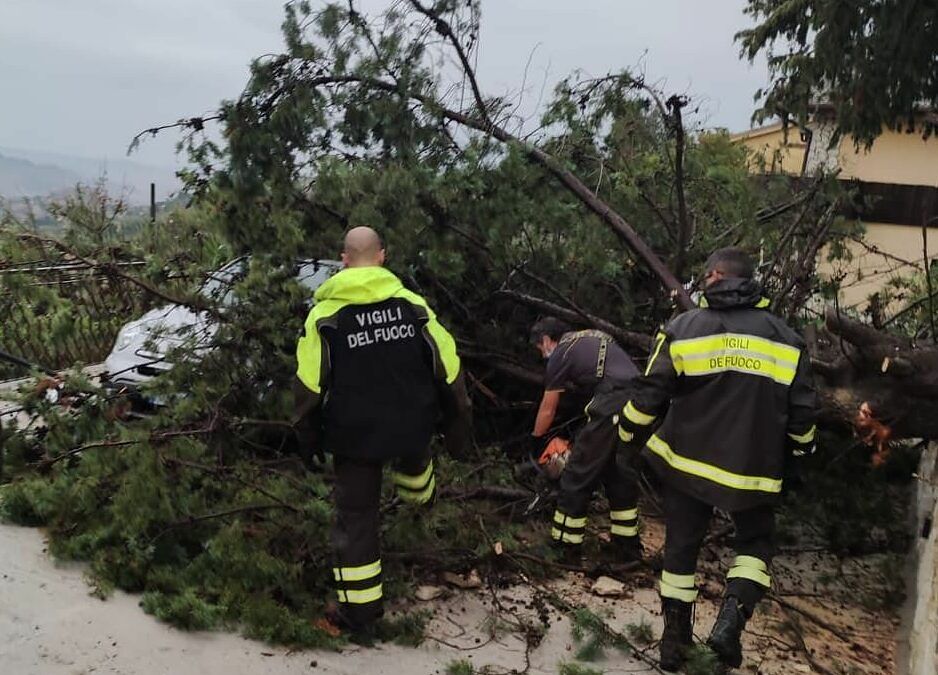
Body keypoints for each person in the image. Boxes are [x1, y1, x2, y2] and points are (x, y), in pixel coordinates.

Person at [616, 247, 816, 671]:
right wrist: (801, 455)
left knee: (680, 550)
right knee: (755, 544)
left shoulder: (684, 328)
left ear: (715, 277)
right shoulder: (787, 340)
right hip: (754, 469)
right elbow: (802, 417)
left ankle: (674, 645)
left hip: (686, 461)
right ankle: (729, 624)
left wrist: (627, 434)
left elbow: (650, 392)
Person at [295, 226, 471, 635]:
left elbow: (307, 390)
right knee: (416, 472)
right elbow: (450, 373)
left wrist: (309, 443)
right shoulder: (414, 308)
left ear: (343, 259)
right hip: (413, 427)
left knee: (356, 520)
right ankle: (421, 520)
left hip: (354, 436)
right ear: (382, 257)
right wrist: (458, 433)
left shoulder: (323, 317)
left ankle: (360, 616)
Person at [529, 317, 643, 561]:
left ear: (547, 340)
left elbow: (548, 408)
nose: (542, 355)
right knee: (617, 474)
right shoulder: (590, 337)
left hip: (614, 399)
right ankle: (627, 549)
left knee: (576, 472)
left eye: (540, 348)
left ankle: (564, 548)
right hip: (641, 401)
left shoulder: (561, 351)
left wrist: (536, 441)